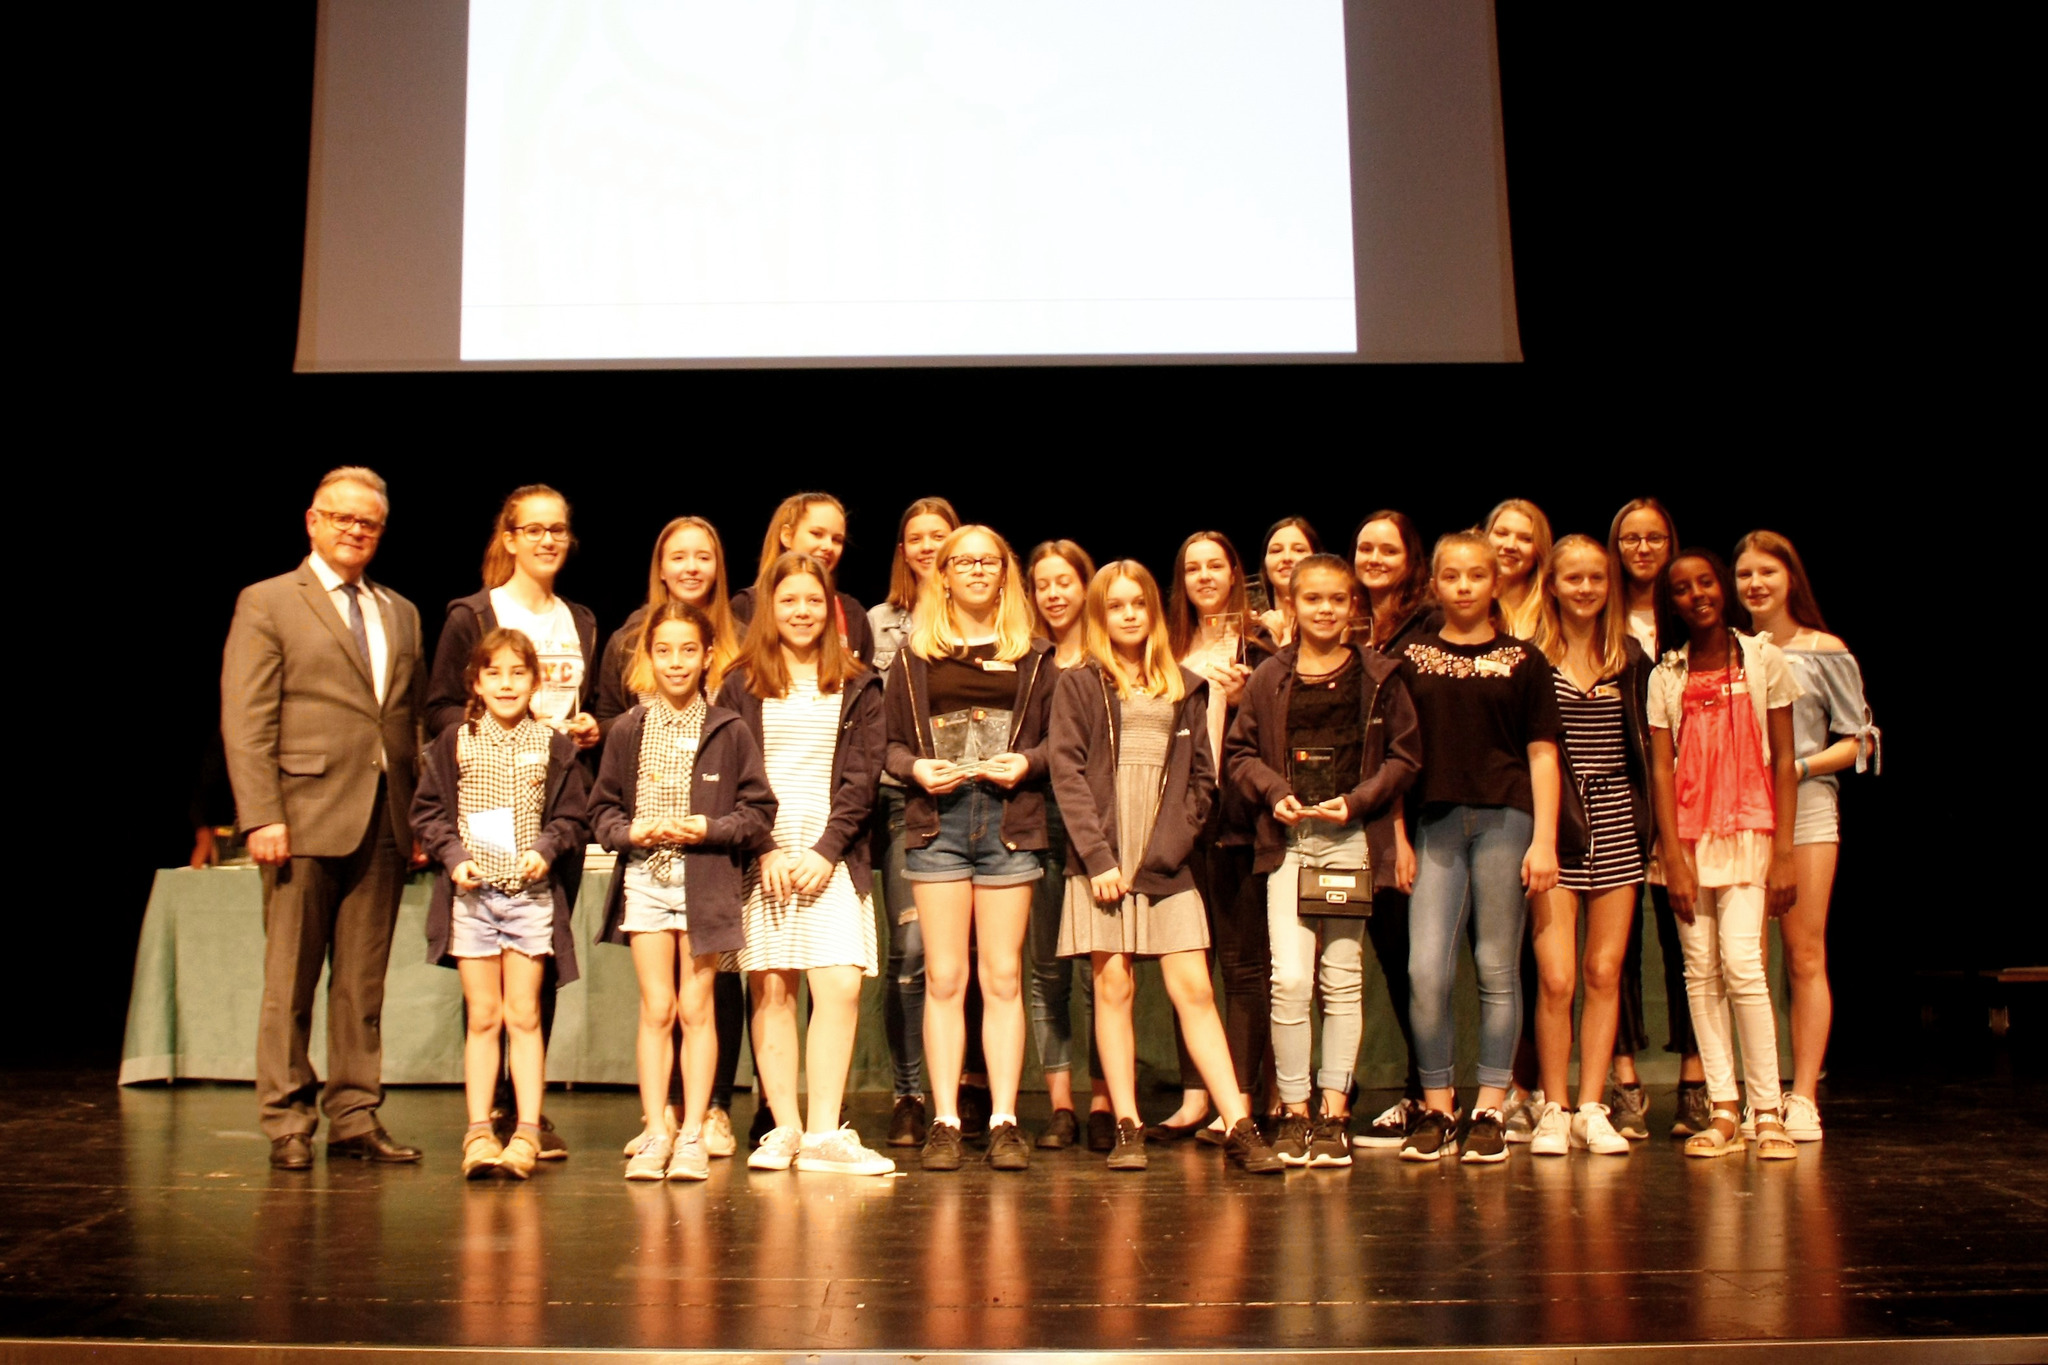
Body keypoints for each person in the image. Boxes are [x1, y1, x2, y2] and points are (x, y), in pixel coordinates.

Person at [1049, 560, 1285, 1175]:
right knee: (1114, 986)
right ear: (1100, 615)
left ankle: (1237, 1121)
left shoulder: (1184, 684)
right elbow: (1068, 775)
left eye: (1139, 604)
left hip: (1165, 856)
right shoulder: (1079, 683)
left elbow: (1202, 781)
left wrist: (1167, 850)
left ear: (1154, 610)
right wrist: (1099, 858)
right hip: (1102, 855)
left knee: (1195, 989)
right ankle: (1126, 1122)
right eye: (1116, 605)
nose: (1129, 614)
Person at [220, 466, 426, 1170]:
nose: (355, 531)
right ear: (312, 520)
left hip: (384, 817)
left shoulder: (399, 610)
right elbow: (247, 720)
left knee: (363, 982)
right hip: (300, 817)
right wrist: (260, 815)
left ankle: (354, 1113)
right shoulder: (270, 601)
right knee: (291, 979)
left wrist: (419, 813)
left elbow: (408, 720)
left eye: (367, 522)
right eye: (342, 518)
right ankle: (286, 1119)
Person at [422, 483, 600, 1158]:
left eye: (559, 529)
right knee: (489, 974)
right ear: (509, 536)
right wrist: (509, 732)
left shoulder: (578, 617)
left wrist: (584, 729)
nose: (548, 540)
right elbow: (439, 707)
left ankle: (525, 1110)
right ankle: (487, 1109)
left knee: (537, 959)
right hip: (490, 805)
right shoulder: (474, 613)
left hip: (553, 808)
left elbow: (594, 705)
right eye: (534, 528)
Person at [1227, 555, 1423, 1167]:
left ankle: (1334, 1112)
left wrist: (1358, 801)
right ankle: (1293, 1110)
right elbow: (1239, 754)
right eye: (1312, 599)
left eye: (1337, 599)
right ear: (1292, 604)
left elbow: (1404, 757)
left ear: (1353, 606)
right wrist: (1273, 791)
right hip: (1288, 843)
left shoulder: (1381, 676)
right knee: (1288, 979)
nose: (1325, 610)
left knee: (1341, 977)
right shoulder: (1267, 679)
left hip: (1350, 841)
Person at [884, 526, 1059, 1173]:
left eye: (990, 561)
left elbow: (1055, 744)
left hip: (1009, 819)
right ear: (945, 573)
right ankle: (945, 1118)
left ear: (1004, 572)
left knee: (1004, 977)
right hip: (940, 822)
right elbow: (892, 745)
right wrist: (916, 770)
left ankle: (1007, 1118)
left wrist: (1027, 762)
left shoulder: (1035, 654)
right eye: (965, 562)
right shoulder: (913, 657)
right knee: (945, 976)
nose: (978, 571)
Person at [717, 551, 893, 1176]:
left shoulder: (858, 681)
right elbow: (733, 773)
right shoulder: (740, 681)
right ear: (770, 607)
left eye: (813, 601)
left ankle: (823, 1130)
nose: (801, 611)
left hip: (830, 846)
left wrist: (825, 849)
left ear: (831, 609)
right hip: (763, 843)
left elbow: (863, 776)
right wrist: (762, 846)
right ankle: (785, 1129)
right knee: (771, 984)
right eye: (789, 600)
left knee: (840, 983)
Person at [590, 601, 777, 1181]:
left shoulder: (728, 728)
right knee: (657, 1007)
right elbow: (601, 812)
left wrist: (709, 829)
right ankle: (655, 1130)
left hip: (706, 884)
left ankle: (694, 1131)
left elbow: (757, 812)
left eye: (688, 651)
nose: (675, 663)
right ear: (649, 656)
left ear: (707, 658)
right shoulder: (628, 729)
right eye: (664, 650)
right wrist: (630, 832)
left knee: (698, 1008)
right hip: (646, 879)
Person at [1396, 531, 1562, 1164]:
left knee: (1496, 966)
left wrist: (1544, 838)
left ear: (1496, 584)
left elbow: (1543, 753)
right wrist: (1397, 838)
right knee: (1426, 970)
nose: (1463, 586)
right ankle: (1438, 1108)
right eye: (1451, 576)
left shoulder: (1524, 661)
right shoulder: (1412, 658)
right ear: (1435, 583)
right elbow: (1395, 758)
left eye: (1476, 576)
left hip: (1505, 819)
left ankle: (1491, 1106)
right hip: (1435, 822)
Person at [411, 628, 590, 1179]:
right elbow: (429, 814)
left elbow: (571, 817)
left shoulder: (554, 746)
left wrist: (545, 849)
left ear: (536, 681)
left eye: (518, 673)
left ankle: (528, 1133)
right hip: (474, 899)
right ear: (476, 682)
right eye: (495, 673)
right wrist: (453, 855)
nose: (507, 684)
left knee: (524, 1015)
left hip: (530, 899)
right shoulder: (455, 743)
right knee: (484, 1017)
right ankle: (479, 1133)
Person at [1648, 549, 1802, 1160]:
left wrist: (1785, 851)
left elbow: (1786, 760)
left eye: (1705, 582)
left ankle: (1770, 1109)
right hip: (1688, 837)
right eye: (1682, 589)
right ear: (1673, 601)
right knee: (1700, 972)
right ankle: (1724, 1109)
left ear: (1722, 588)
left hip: (1750, 831)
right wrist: (1674, 859)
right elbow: (1662, 770)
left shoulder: (1763, 659)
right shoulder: (1668, 674)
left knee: (1743, 964)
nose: (1697, 595)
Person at [1735, 529, 1879, 1143]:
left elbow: (1858, 740)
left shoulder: (1825, 650)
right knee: (1741, 962)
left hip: (1808, 810)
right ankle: (1753, 1096)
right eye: (1744, 574)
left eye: (1767, 571)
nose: (1755, 584)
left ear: (1791, 577)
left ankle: (1803, 1095)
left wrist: (1796, 768)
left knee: (1804, 954)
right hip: (1739, 811)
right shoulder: (1728, 651)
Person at [1525, 536, 1652, 1158]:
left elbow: (1647, 751)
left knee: (1605, 972)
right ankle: (1554, 1105)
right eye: (1571, 578)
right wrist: (1539, 836)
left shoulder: (1628, 657)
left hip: (1619, 821)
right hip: (1557, 826)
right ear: (1551, 584)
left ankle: (1592, 1106)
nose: (1583, 589)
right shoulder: (1531, 659)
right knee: (1557, 978)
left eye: (1595, 579)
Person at [1153, 531, 1269, 1144]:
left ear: (1234, 573)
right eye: (1191, 567)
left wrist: (1246, 698)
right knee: (1188, 961)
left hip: (1238, 816)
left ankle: (1243, 1097)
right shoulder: (1168, 648)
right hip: (1179, 815)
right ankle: (1196, 1092)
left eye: (1215, 566)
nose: (1203, 576)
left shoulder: (1261, 643)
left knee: (1243, 964)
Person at [1604, 497, 1704, 1140]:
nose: (1642, 549)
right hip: (1614, 788)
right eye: (1631, 539)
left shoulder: (1690, 616)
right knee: (1615, 947)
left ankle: (1697, 1077)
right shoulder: (1599, 615)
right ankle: (1624, 1076)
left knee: (1685, 936)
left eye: (1654, 538)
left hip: (1684, 787)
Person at [868, 497, 961, 1148]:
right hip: (906, 798)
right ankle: (908, 1092)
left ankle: (964, 1090)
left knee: (964, 963)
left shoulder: (986, 617)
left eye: (940, 536)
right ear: (904, 551)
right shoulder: (880, 622)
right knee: (911, 953)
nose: (928, 546)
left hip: (979, 801)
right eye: (917, 538)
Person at [1346, 509, 1436, 1148]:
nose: (1373, 557)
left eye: (1387, 549)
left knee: (1415, 962)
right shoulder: (1346, 621)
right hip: (1360, 812)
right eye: (1364, 547)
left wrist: (1400, 830)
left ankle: (1428, 1092)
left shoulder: (1426, 627)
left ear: (1411, 558)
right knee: (1382, 956)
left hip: (1416, 808)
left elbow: (1406, 737)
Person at [1023, 539, 1109, 1151]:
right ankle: (1059, 1103)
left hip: (1101, 826)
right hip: (1038, 820)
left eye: (1064, 582)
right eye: (1042, 584)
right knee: (1046, 968)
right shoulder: (1028, 660)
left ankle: (1105, 1096)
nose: (1054, 594)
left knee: (1100, 971)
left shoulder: (1113, 658)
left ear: (1086, 586)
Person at [592, 516, 742, 740]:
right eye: (678, 558)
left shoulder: (743, 640)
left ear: (717, 568)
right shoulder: (628, 641)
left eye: (703, 558)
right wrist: (641, 719)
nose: (691, 568)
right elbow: (604, 724)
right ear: (661, 569)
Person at [730, 493, 874, 664]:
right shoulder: (748, 605)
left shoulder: (853, 612)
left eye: (837, 540)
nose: (828, 546)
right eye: (817, 534)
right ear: (787, 536)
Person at [1485, 498, 1554, 642]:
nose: (1510, 545)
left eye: (1526, 539)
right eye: (1502, 534)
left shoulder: (1553, 614)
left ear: (1539, 550)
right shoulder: (1465, 605)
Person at [1254, 516, 1321, 647]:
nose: (1287, 558)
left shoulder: (1330, 622)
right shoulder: (1253, 629)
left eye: (1299, 550)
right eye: (1276, 550)